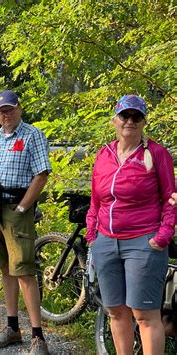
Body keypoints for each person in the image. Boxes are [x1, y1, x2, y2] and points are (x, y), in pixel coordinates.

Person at [86, 95, 175, 355]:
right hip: (106, 242)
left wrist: (163, 235)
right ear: (115, 120)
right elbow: (95, 199)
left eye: (136, 117)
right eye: (125, 116)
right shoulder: (104, 154)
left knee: (145, 315)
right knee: (115, 311)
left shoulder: (157, 154)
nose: (130, 121)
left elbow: (171, 198)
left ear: (144, 122)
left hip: (143, 242)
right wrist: (92, 233)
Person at [0, 90, 51, 355]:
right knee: (5, 268)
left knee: (24, 270)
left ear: (19, 109)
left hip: (17, 208)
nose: (5, 114)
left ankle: (38, 337)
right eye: (1, 111)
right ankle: (12, 328)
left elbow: (41, 175)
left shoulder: (32, 135)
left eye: (9, 109)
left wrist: (22, 207)